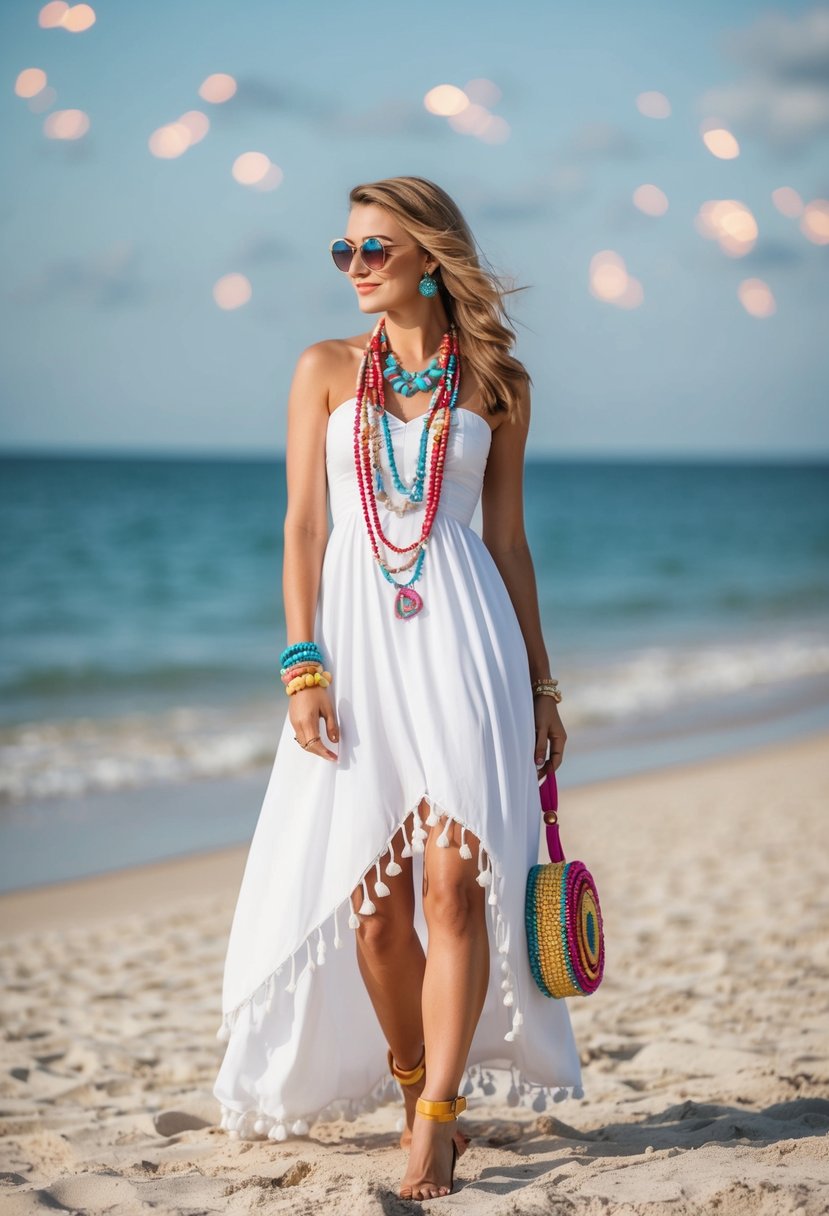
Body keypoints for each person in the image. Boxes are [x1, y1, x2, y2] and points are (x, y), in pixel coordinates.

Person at [214, 176, 582, 1201]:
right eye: (345, 252)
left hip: (469, 647)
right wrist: (301, 664)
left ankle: (437, 1120)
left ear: (429, 253)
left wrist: (543, 683)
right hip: (357, 652)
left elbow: (507, 541)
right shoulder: (325, 371)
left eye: (374, 249)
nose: (356, 268)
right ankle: (412, 1072)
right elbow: (302, 528)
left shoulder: (498, 381)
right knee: (374, 915)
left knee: (454, 887)